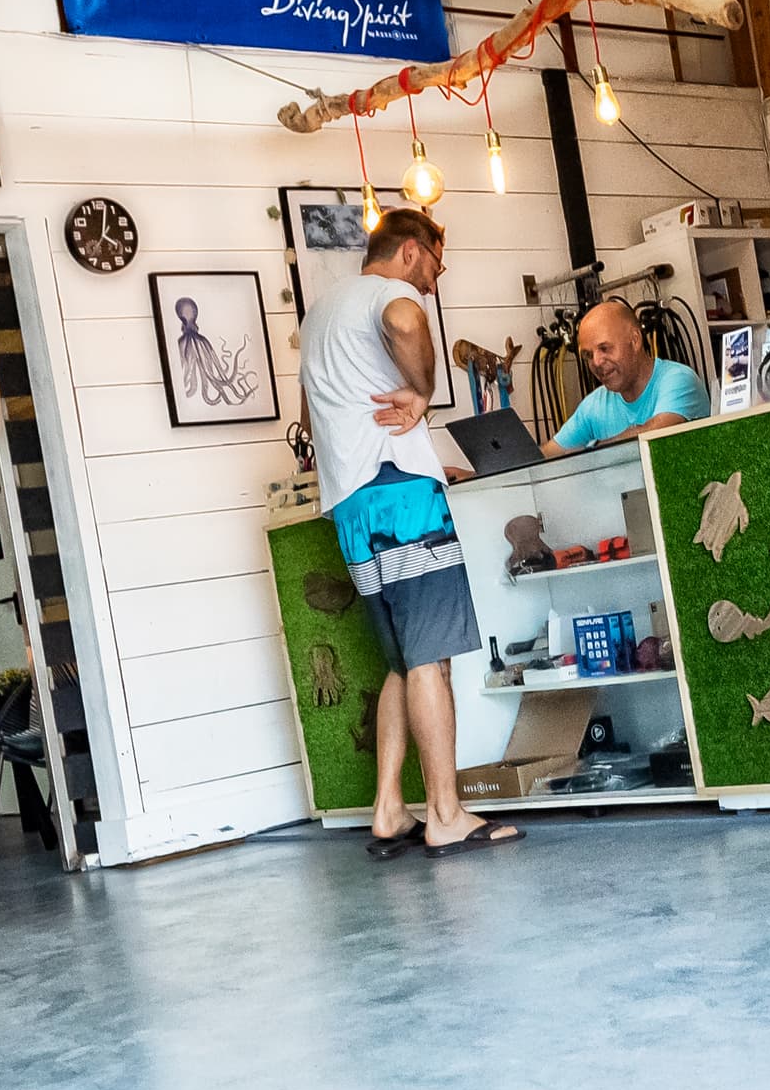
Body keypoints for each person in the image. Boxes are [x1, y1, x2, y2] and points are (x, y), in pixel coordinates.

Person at [298, 206, 520, 857]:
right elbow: (405, 319)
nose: (434, 280)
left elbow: (310, 420)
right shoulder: (390, 294)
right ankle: (447, 815)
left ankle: (390, 808)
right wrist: (422, 390)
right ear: (411, 251)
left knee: (401, 661)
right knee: (431, 659)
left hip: (353, 505)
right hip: (402, 498)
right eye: (435, 264)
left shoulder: (320, 315)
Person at [541, 299, 709, 455]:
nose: (597, 362)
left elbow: (654, 436)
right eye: (588, 355)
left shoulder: (677, 380)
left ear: (635, 340)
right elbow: (546, 456)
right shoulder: (594, 405)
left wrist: (591, 450)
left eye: (605, 348)